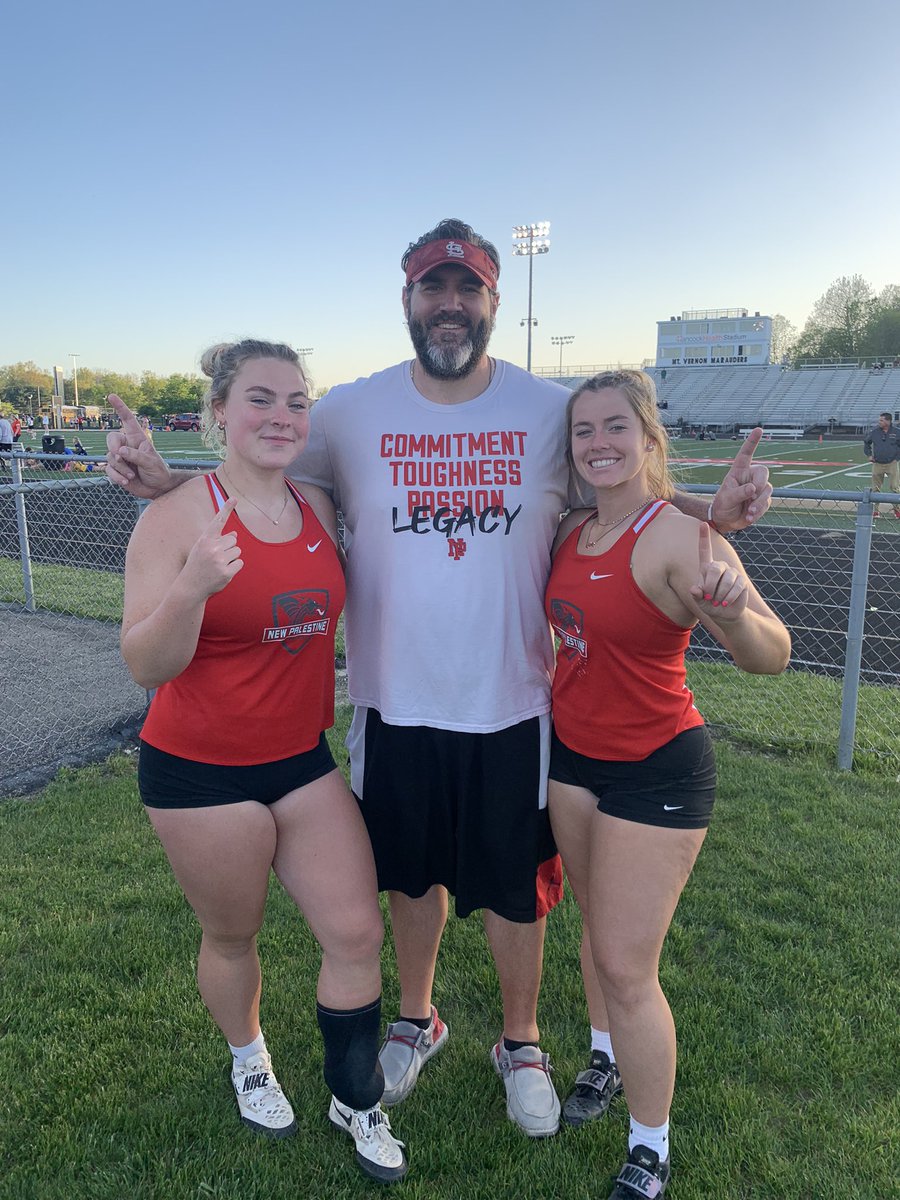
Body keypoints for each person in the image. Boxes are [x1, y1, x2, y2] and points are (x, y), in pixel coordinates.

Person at [105, 219, 772, 1139]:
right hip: (394, 697)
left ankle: (523, 1040)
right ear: (408, 301)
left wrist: (710, 508)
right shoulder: (347, 411)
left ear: (493, 302)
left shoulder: (548, 409)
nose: (449, 304)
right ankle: (416, 1020)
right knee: (410, 878)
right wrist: (160, 481)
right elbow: (250, 469)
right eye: (433, 288)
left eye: (467, 289)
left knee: (513, 884)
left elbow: (619, 484)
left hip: (513, 697)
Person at [119, 339, 407, 1183]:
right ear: (219, 413)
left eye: (295, 402)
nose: (282, 416)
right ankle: (249, 1057)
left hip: (299, 758)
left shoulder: (316, 501)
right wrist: (193, 586)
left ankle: (356, 1097)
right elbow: (146, 664)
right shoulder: (173, 519)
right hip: (198, 772)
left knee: (355, 931)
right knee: (233, 934)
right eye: (260, 399)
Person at [545, 370, 790, 1197]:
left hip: (658, 769)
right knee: (593, 928)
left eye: (615, 427)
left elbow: (772, 654)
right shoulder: (572, 528)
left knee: (627, 963)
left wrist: (731, 610)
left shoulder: (684, 541)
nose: (598, 443)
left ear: (649, 439)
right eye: (584, 431)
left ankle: (650, 1148)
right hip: (573, 761)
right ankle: (603, 1059)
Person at [863, 412, 900, 518]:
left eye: (882, 420)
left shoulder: (897, 432)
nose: (879, 422)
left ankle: (897, 511)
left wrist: (897, 458)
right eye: (879, 420)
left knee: (895, 487)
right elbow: (867, 442)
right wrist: (869, 455)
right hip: (877, 464)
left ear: (888, 421)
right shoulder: (874, 432)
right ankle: (876, 511)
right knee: (875, 488)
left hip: (892, 464)